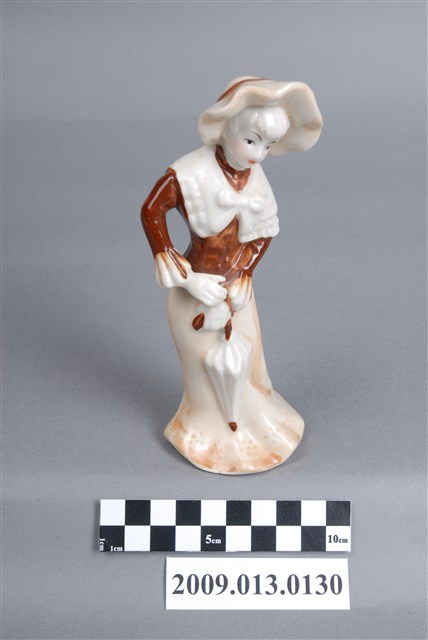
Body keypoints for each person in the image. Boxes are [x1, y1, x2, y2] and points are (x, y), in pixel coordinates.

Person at [141, 77, 322, 474]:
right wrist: (184, 275)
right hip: (197, 292)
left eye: (269, 146)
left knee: (249, 359)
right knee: (204, 370)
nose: (259, 155)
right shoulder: (189, 172)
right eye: (252, 141)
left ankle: (256, 429)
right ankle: (206, 436)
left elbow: (264, 232)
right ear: (225, 129)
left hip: (237, 291)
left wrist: (245, 273)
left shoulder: (254, 176)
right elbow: (151, 209)